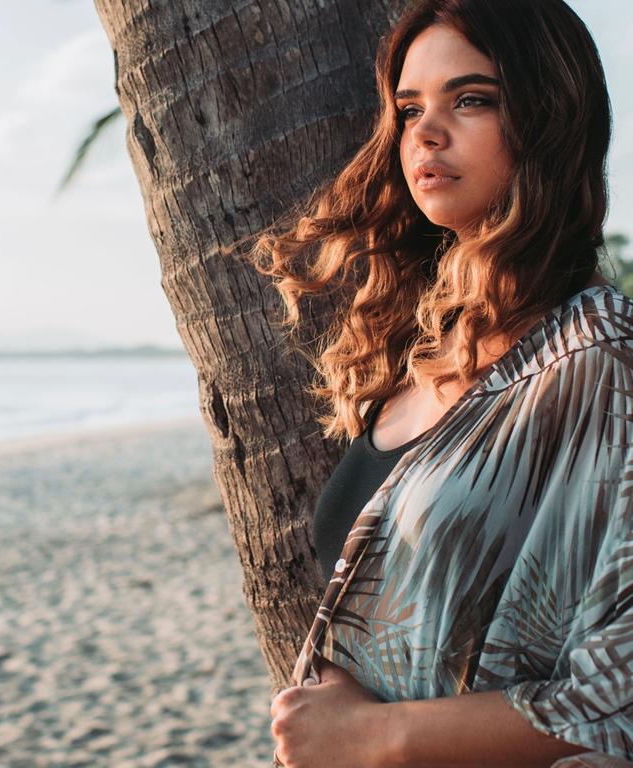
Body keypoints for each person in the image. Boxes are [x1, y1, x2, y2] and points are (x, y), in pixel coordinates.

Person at [244, 0, 633, 765]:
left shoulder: (602, 365)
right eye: (409, 108)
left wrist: (375, 738)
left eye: (472, 100)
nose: (424, 132)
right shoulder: (419, 347)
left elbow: (619, 692)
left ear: (551, 113)